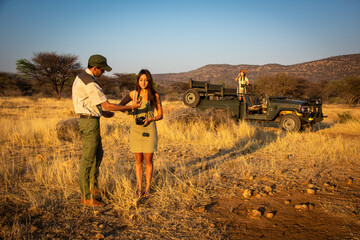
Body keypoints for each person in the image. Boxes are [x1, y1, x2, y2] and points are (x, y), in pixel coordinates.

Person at [72, 54, 141, 207]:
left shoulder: (81, 77)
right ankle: (86, 196)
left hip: (90, 120)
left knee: (97, 154)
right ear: (95, 68)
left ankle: (93, 188)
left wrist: (102, 113)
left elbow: (86, 102)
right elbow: (107, 105)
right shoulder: (90, 82)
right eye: (102, 70)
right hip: (90, 123)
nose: (103, 73)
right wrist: (130, 107)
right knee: (88, 159)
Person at [119, 69, 163, 198]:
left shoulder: (155, 95)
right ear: (138, 81)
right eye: (141, 80)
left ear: (149, 81)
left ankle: (148, 188)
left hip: (149, 129)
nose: (143, 82)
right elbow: (120, 106)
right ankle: (139, 188)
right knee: (138, 160)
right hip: (136, 130)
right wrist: (131, 110)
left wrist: (151, 119)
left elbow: (160, 115)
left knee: (148, 161)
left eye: (146, 80)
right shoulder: (133, 94)